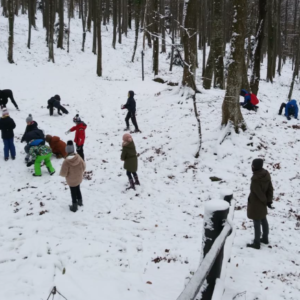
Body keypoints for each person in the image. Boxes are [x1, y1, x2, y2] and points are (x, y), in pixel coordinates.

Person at [247, 158, 274, 250]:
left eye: (253, 165)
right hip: (263, 202)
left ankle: (256, 243)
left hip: (256, 203)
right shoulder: (266, 174)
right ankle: (265, 238)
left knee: (256, 222)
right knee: (263, 219)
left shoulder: (255, 179)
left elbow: (258, 193)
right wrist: (269, 200)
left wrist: (265, 200)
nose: (252, 167)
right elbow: (270, 188)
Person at [60, 140, 86, 212]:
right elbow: (84, 166)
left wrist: (65, 174)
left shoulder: (66, 161)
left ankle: (74, 206)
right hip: (78, 178)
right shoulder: (78, 157)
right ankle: (80, 202)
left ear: (67, 150)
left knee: (73, 192)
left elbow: (63, 173)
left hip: (71, 180)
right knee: (78, 189)